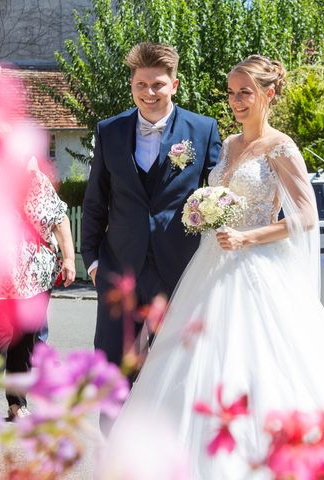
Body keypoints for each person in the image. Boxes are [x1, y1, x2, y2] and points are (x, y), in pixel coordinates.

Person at [112, 55, 324, 478]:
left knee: (262, 367)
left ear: (269, 94)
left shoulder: (281, 146)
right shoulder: (229, 145)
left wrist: (248, 237)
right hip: (212, 268)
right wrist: (203, 211)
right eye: (232, 93)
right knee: (197, 365)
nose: (236, 101)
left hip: (259, 268)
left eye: (245, 92)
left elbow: (305, 217)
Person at [81, 43, 221, 369]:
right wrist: (92, 262)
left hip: (179, 270)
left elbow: (218, 195)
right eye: (141, 84)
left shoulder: (202, 130)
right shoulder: (109, 131)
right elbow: (95, 201)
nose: (149, 92)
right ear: (131, 85)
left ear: (174, 85)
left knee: (174, 368)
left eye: (157, 84)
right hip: (118, 269)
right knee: (112, 367)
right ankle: (113, 423)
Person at [0, 158, 76, 420]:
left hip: (35, 277)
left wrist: (68, 258)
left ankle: (16, 403)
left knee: (25, 341)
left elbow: (59, 218)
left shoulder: (39, 182)